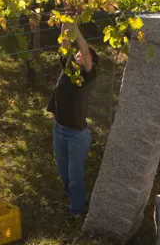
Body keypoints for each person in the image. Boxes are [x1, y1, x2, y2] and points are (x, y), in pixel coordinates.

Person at [47, 21, 99, 219]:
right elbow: (64, 44)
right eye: (77, 53)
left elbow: (86, 53)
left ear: (90, 63)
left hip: (76, 134)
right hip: (59, 128)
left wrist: (77, 32)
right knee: (63, 172)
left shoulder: (87, 76)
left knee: (75, 176)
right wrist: (66, 22)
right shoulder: (68, 67)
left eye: (85, 55)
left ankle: (76, 211)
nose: (80, 54)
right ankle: (76, 199)